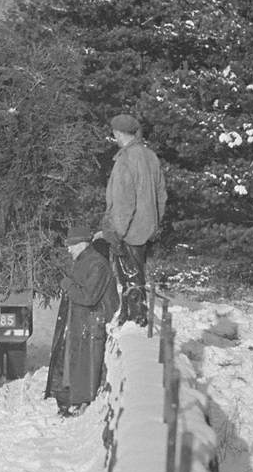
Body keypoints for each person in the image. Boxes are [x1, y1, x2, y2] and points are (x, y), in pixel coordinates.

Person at [98, 113, 166, 327]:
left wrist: (116, 232)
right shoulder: (150, 157)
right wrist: (154, 223)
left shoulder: (125, 160)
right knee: (137, 276)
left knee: (130, 278)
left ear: (119, 133)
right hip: (145, 229)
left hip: (127, 231)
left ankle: (135, 319)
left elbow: (123, 201)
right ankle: (132, 315)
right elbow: (161, 195)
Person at [45, 225, 119, 416]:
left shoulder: (97, 264)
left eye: (72, 245)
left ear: (82, 244)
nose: (69, 249)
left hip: (93, 321)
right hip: (84, 318)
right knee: (77, 359)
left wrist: (67, 284)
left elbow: (88, 297)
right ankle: (76, 399)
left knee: (86, 361)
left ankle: (82, 401)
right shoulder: (85, 261)